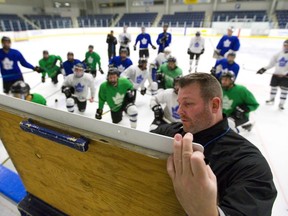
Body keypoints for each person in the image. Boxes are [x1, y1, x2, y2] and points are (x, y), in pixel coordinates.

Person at [151, 73, 276, 216]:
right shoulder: (167, 131)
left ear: (214, 105)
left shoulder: (249, 164)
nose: (179, 111)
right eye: (179, 103)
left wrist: (205, 211)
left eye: (188, 103)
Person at [257, 39, 288, 110]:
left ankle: (281, 104)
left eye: (287, 46)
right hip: (276, 75)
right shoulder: (278, 54)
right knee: (273, 88)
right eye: (285, 45)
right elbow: (271, 64)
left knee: (284, 90)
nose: (286, 47)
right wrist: (264, 69)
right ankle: (271, 99)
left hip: (285, 76)